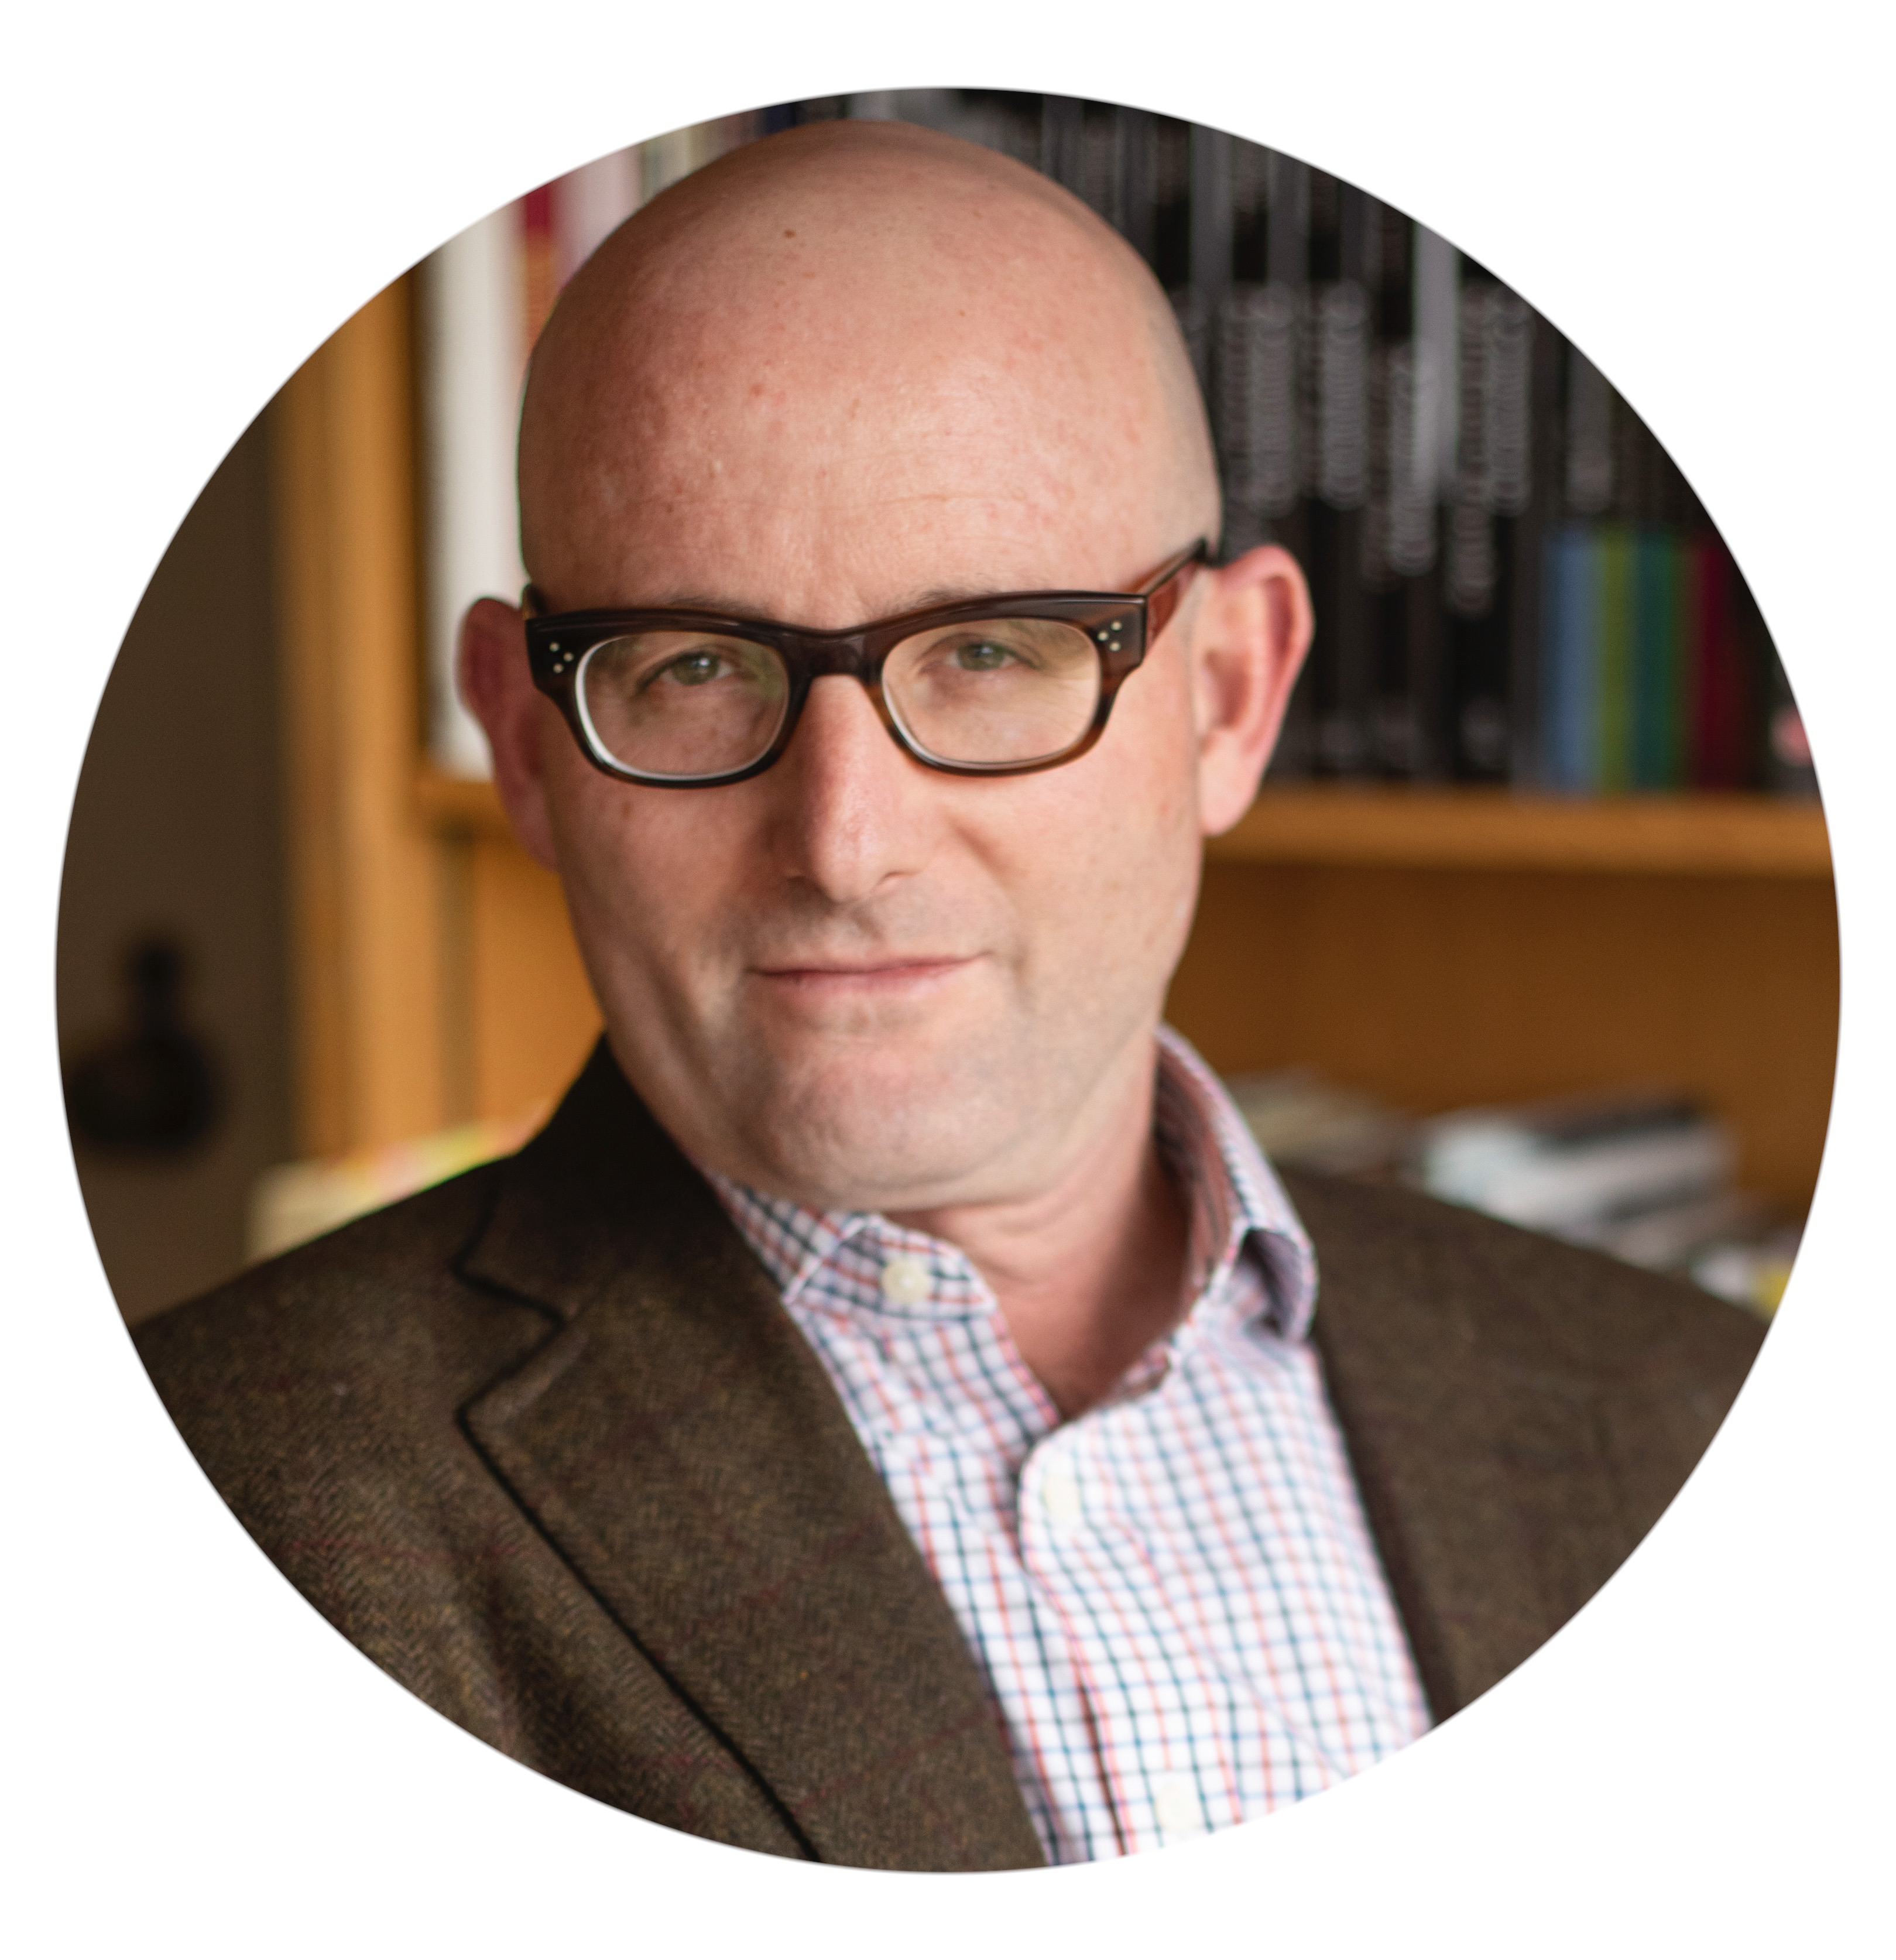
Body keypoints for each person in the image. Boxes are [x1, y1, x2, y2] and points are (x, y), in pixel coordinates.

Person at [136, 119, 1762, 1870]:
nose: (844, 841)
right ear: (527, 745)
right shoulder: (192, 1530)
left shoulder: (1704, 1421)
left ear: (1229, 694)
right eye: (693, 666)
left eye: (989, 651)